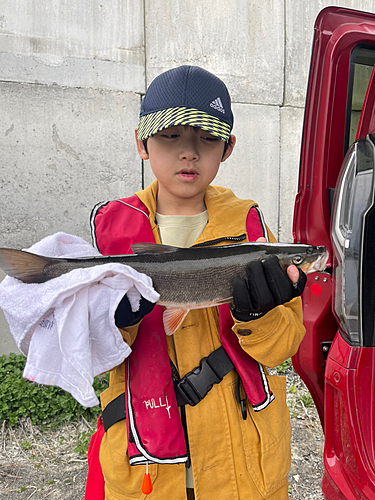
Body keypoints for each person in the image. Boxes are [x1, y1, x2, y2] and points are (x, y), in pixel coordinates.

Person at [87, 65, 306, 500]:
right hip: (145, 468)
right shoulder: (112, 232)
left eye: (206, 137)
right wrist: (116, 320)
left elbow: (283, 348)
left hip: (246, 467)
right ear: (141, 143)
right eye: (171, 136)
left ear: (227, 148)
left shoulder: (253, 233)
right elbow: (92, 354)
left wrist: (258, 317)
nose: (189, 152)